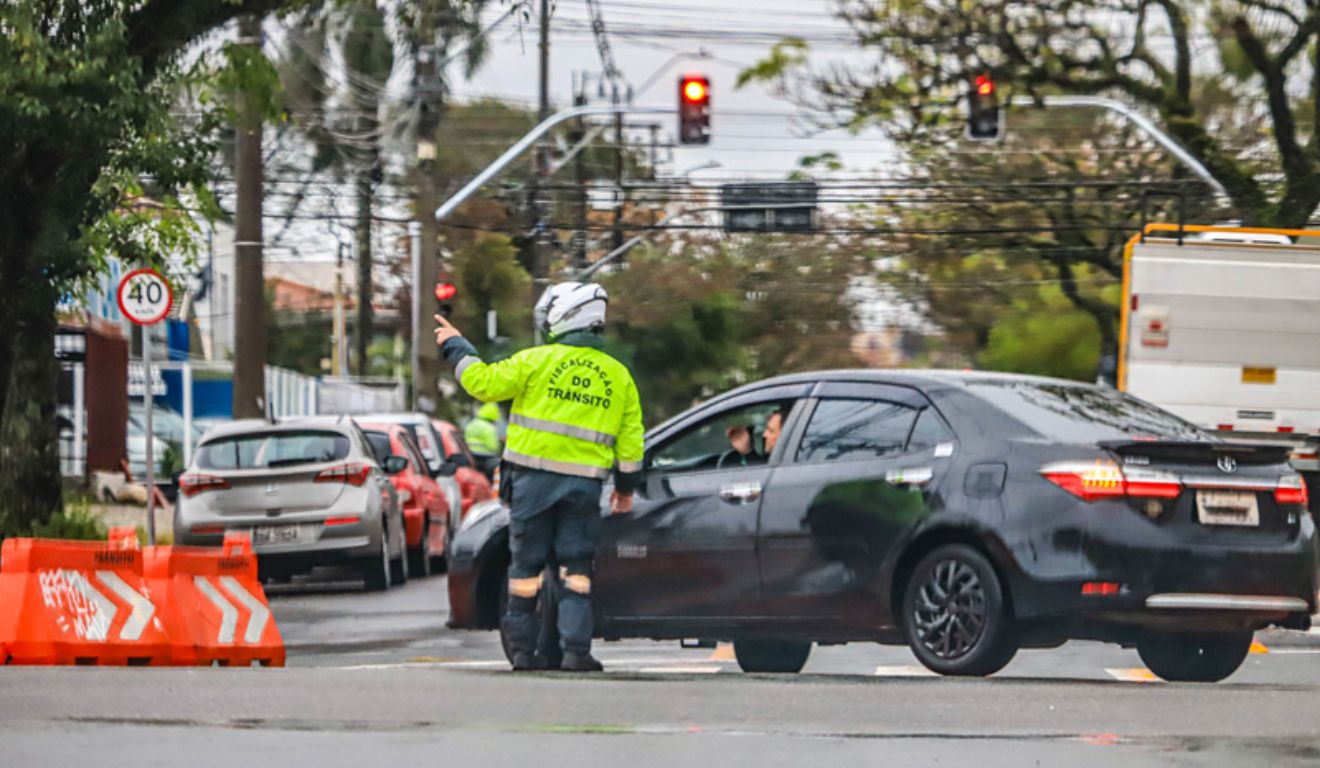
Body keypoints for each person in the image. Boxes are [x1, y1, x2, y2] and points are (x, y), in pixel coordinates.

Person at [434, 281, 644, 672]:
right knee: (576, 572)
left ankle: (524, 654)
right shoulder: (619, 376)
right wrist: (626, 491)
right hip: (584, 488)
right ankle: (576, 653)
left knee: (525, 570)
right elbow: (631, 445)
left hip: (531, 484)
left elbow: (483, 384)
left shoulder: (535, 361)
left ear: (563, 316)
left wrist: (457, 346)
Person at [464, 402, 503, 481]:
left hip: (470, 457)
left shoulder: (471, 424)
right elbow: (493, 446)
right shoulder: (489, 428)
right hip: (486, 458)